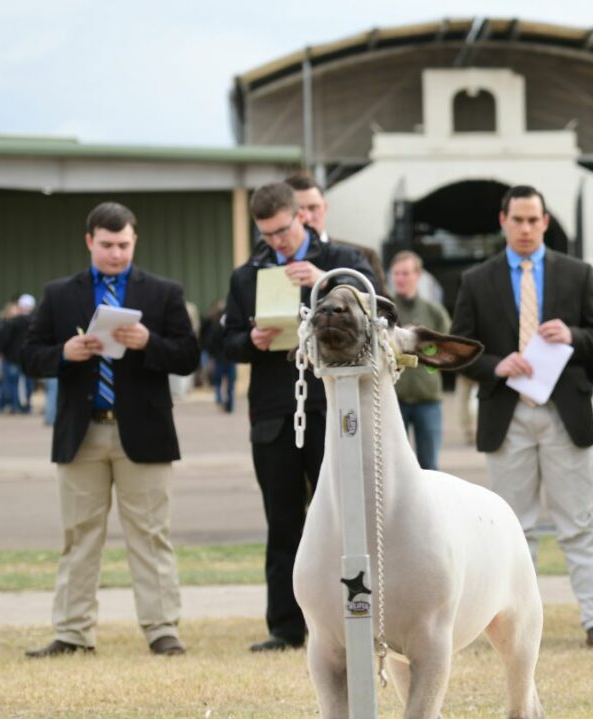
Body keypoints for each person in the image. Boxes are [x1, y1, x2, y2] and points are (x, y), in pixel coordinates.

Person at [19, 202, 199, 657]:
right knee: (79, 536)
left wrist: (149, 343)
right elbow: (28, 353)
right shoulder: (59, 294)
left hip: (146, 433)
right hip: (82, 434)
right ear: (89, 242)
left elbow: (188, 355)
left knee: (151, 535)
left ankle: (162, 629)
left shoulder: (163, 292)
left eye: (123, 245)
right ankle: (73, 633)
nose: (116, 253)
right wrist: (65, 352)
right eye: (107, 245)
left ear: (134, 241)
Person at [452, 185, 593, 648]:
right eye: (518, 220)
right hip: (508, 414)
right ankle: (511, 626)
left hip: (564, 412)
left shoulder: (577, 273)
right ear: (503, 221)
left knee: (578, 522)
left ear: (545, 222)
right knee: (512, 529)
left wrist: (573, 335)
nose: (526, 228)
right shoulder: (476, 280)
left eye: (534, 220)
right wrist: (495, 365)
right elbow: (460, 350)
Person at [221, 182, 377, 653]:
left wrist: (324, 279)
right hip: (274, 412)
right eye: (267, 234)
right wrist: (252, 341)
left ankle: (362, 617)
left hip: (334, 409)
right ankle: (286, 627)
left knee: (349, 519)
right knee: (283, 523)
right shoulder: (247, 275)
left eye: (284, 230)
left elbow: (379, 313)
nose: (278, 242)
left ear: (302, 217)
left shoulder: (346, 260)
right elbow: (223, 342)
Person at [387, 250, 452, 470]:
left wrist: (423, 346)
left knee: (430, 465)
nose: (400, 279)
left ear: (418, 275)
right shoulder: (384, 312)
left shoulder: (434, 312)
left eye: (405, 273)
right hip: (394, 399)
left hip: (428, 400)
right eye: (396, 274)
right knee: (396, 465)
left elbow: (447, 351)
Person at [285, 171, 387, 293]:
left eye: (313, 208)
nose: (306, 217)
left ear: (325, 207)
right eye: (298, 210)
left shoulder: (364, 255)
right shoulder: (268, 259)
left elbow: (383, 308)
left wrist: (330, 281)